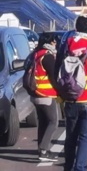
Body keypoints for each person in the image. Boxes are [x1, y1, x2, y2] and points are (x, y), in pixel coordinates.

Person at [53, 16, 87, 171]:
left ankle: (68, 167)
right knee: (85, 137)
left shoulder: (65, 47)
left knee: (70, 137)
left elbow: (57, 71)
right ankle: (80, 167)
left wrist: (61, 92)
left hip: (70, 99)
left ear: (75, 29)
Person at [31, 33, 60, 162]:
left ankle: (41, 150)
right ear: (51, 42)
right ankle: (43, 150)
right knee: (53, 122)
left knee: (43, 122)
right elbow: (54, 77)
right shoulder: (47, 57)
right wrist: (61, 91)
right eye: (55, 41)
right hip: (46, 94)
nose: (56, 44)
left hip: (35, 93)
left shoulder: (36, 54)